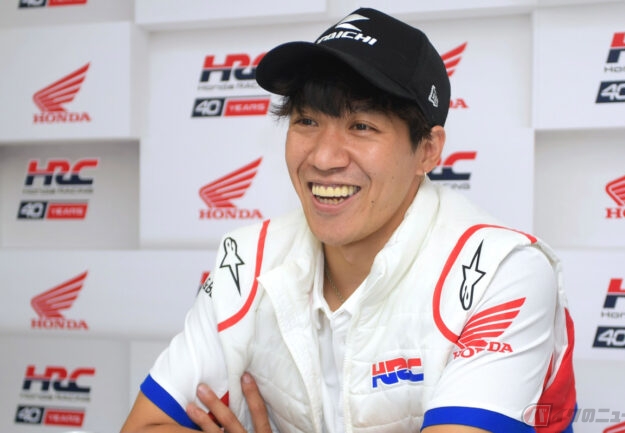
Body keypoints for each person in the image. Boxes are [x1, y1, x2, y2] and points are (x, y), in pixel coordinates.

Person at [121, 7, 577, 433]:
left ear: (427, 150)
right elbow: (143, 426)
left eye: (361, 126)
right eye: (306, 121)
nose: (323, 157)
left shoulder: (501, 272)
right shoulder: (246, 260)